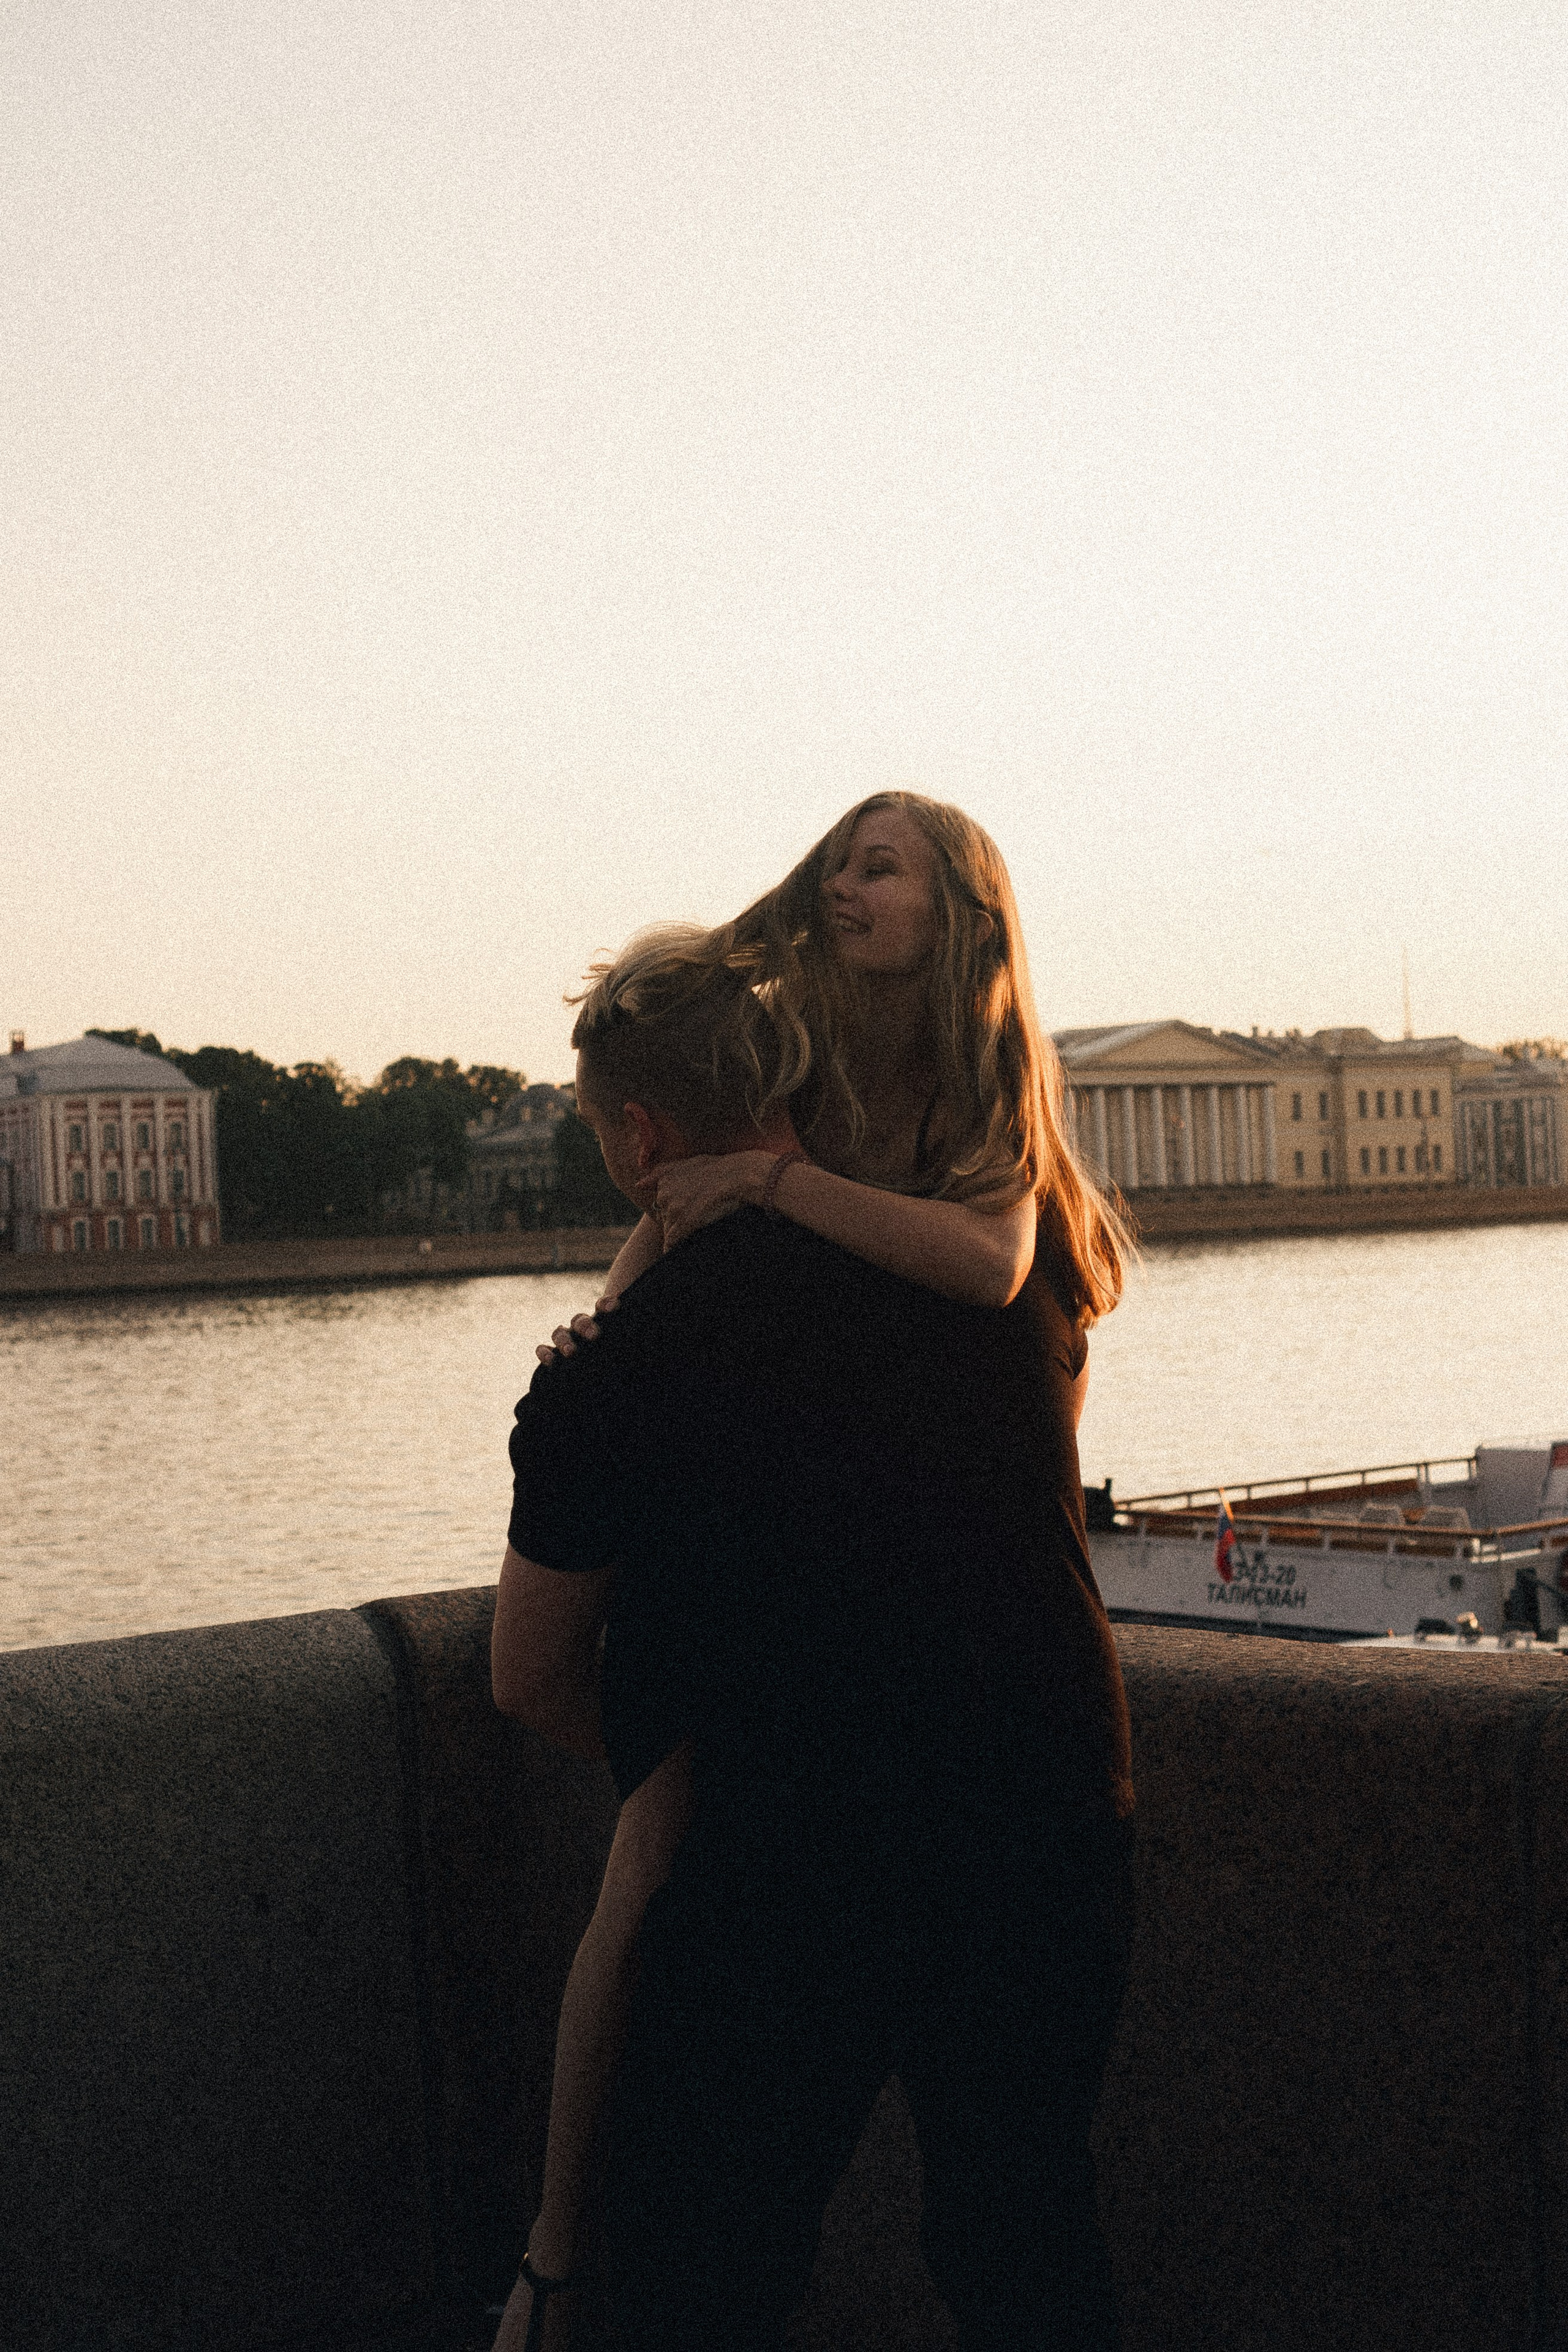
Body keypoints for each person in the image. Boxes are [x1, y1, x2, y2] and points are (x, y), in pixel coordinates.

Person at [492, 794, 1133, 2351]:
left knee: (722, 2250)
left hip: (809, 1823)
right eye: (835, 865)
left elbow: (526, 1677)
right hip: (1042, 1776)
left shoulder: (965, 1186)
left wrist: (628, 1325)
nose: (843, 890)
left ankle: (554, 2269)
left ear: (640, 1135)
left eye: (878, 868)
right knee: (1021, 2231)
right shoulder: (1030, 1241)